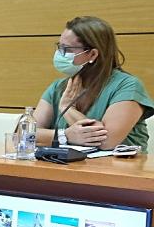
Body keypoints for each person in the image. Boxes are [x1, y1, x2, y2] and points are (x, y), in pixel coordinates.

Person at [33, 15, 153, 151]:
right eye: (59, 47)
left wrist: (68, 108)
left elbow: (106, 142)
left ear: (92, 55)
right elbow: (25, 134)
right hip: (67, 168)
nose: (60, 54)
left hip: (120, 169)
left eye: (67, 49)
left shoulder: (128, 86)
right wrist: (64, 135)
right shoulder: (58, 87)